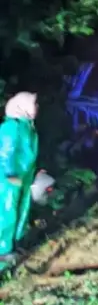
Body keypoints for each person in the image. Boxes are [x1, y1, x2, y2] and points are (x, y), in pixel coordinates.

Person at [0, 92, 41, 266]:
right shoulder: (12, 126)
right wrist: (10, 174)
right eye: (34, 103)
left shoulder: (28, 127)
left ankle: (14, 244)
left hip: (24, 176)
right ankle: (2, 251)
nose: (37, 107)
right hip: (9, 179)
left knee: (22, 209)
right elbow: (5, 153)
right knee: (6, 212)